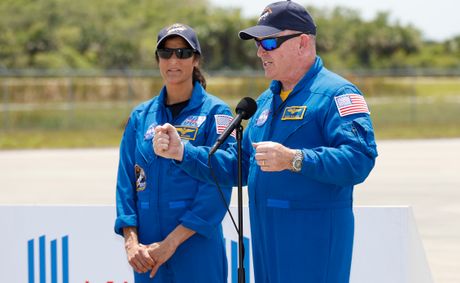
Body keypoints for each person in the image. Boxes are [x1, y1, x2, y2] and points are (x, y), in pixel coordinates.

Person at [154, 1, 378, 282]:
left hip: (312, 243)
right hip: (266, 242)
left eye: (269, 43)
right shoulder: (264, 102)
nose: (260, 52)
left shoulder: (337, 94)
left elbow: (359, 159)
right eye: (258, 44)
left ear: (302, 43)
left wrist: (295, 159)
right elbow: (241, 165)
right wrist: (183, 152)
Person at [114, 23, 234, 282]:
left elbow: (218, 184)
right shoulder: (141, 116)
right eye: (166, 53)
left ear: (196, 59)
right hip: (148, 254)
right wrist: (132, 244)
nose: (173, 60)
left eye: (182, 53)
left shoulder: (217, 113)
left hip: (196, 247)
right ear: (157, 59)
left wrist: (170, 244)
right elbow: (126, 183)